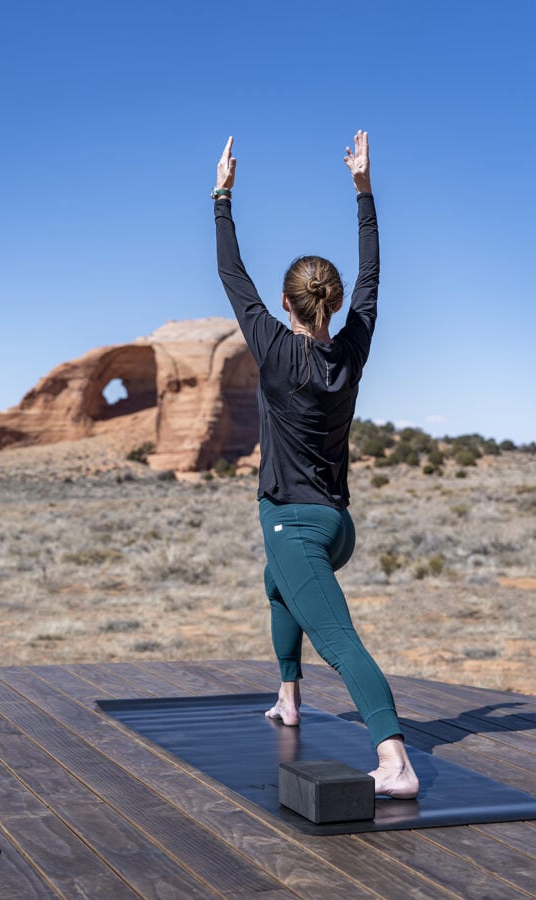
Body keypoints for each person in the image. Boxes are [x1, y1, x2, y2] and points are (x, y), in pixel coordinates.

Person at [213, 132, 419, 799]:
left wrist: (222, 196)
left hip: (294, 522)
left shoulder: (272, 348)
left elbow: (231, 276)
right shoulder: (351, 348)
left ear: (286, 305)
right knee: (277, 586)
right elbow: (372, 277)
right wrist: (362, 191)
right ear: (329, 303)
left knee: (340, 640)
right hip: (335, 523)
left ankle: (394, 761)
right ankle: (288, 697)